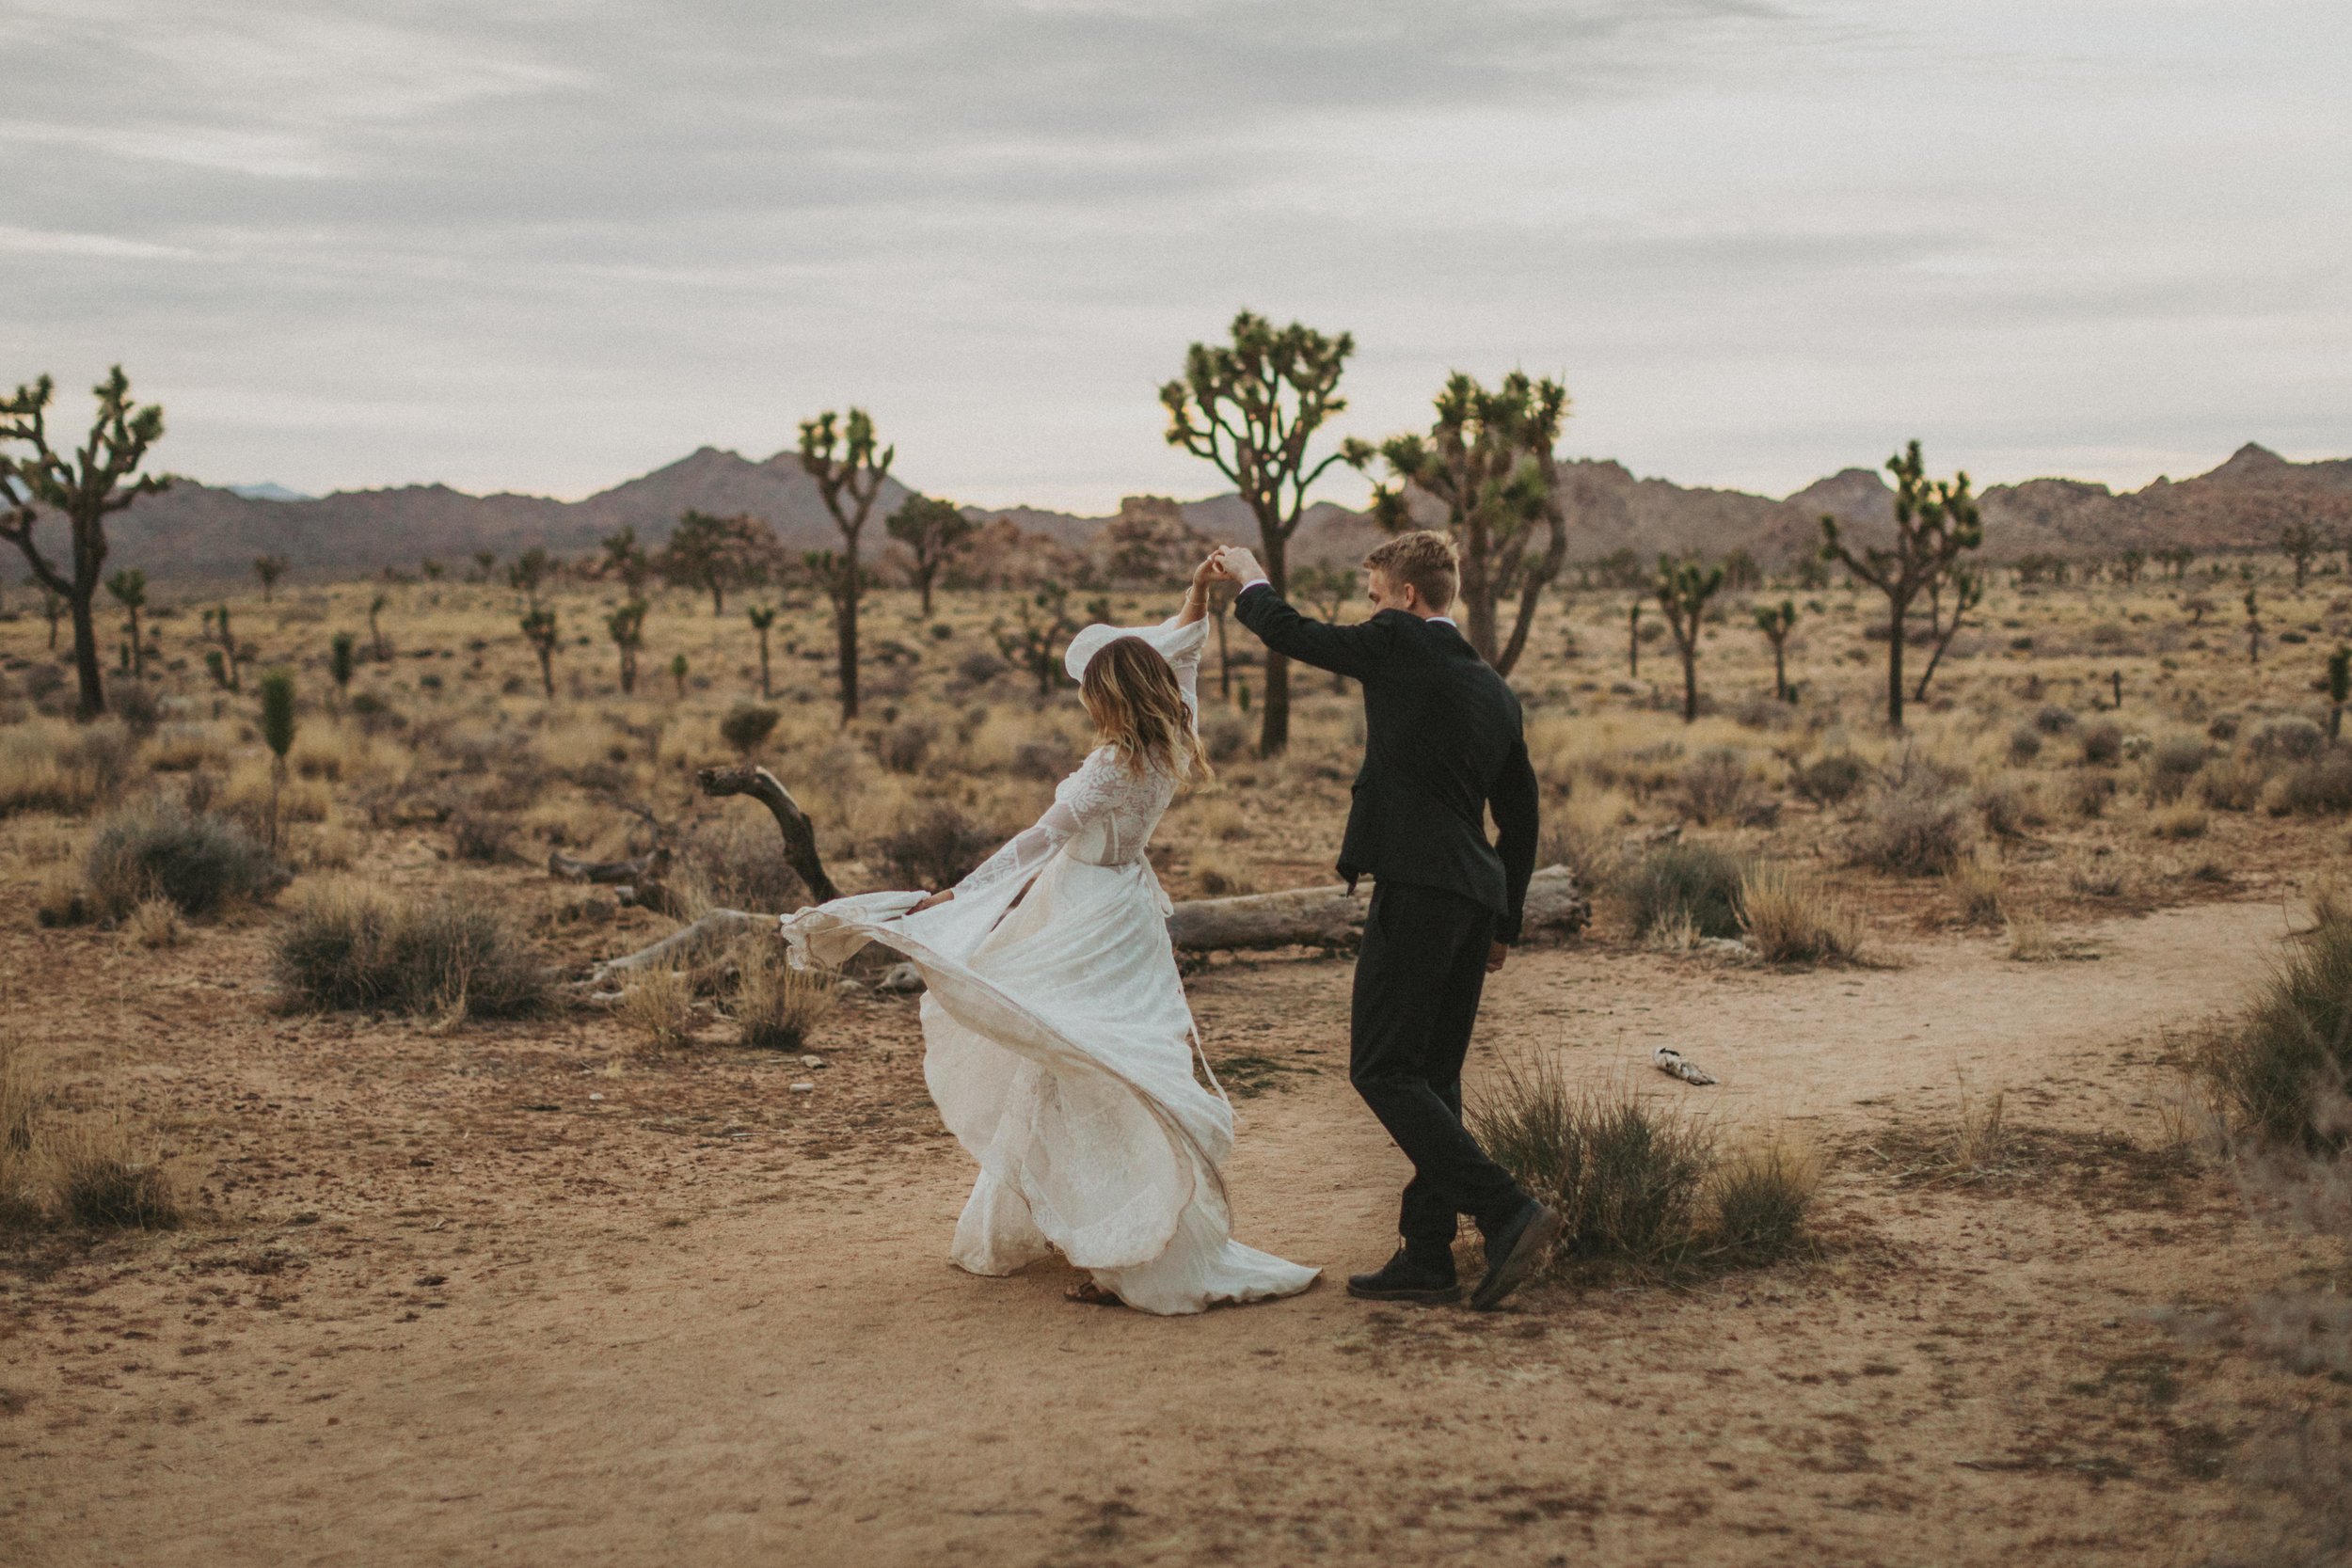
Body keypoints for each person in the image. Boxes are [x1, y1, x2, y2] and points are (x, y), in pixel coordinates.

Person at [778, 557, 1316, 1315]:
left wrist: (961, 893)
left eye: (1093, 691)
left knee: (1071, 1062)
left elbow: (1036, 842)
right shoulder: (1171, 738)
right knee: (1102, 1057)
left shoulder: (1109, 767)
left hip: (1083, 917)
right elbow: (1186, 655)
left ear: (1111, 696)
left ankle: (1116, 1245)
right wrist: (1198, 595)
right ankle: (1107, 1227)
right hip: (1127, 915)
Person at [1209, 531, 1558, 1311]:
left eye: (1372, 596)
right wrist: (1506, 921)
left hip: (1421, 886)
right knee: (1433, 1075)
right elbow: (1522, 819)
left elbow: (1299, 636)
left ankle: (1505, 1209)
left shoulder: (1399, 640)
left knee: (1381, 1067)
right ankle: (1427, 1254)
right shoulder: (1495, 689)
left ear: (1406, 597)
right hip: (1474, 894)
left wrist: (1251, 580)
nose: (1369, 611)